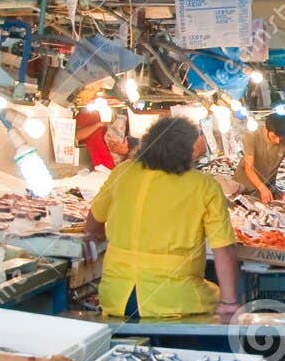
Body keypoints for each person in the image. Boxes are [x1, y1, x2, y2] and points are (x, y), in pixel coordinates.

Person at [84, 116, 242, 320]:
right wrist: (230, 303)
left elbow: (92, 226)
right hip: (176, 299)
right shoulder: (205, 185)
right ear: (187, 151)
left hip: (116, 298)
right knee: (217, 297)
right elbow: (224, 250)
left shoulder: (123, 172)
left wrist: (99, 237)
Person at [236, 112, 285, 204]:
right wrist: (262, 188)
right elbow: (248, 168)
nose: (278, 141)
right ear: (266, 130)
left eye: (281, 138)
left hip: (268, 186)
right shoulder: (252, 136)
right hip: (243, 186)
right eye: (274, 136)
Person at [76, 105, 127, 171]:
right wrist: (99, 124)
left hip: (110, 165)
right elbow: (77, 136)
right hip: (93, 165)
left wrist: (125, 151)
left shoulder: (117, 118)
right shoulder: (84, 115)